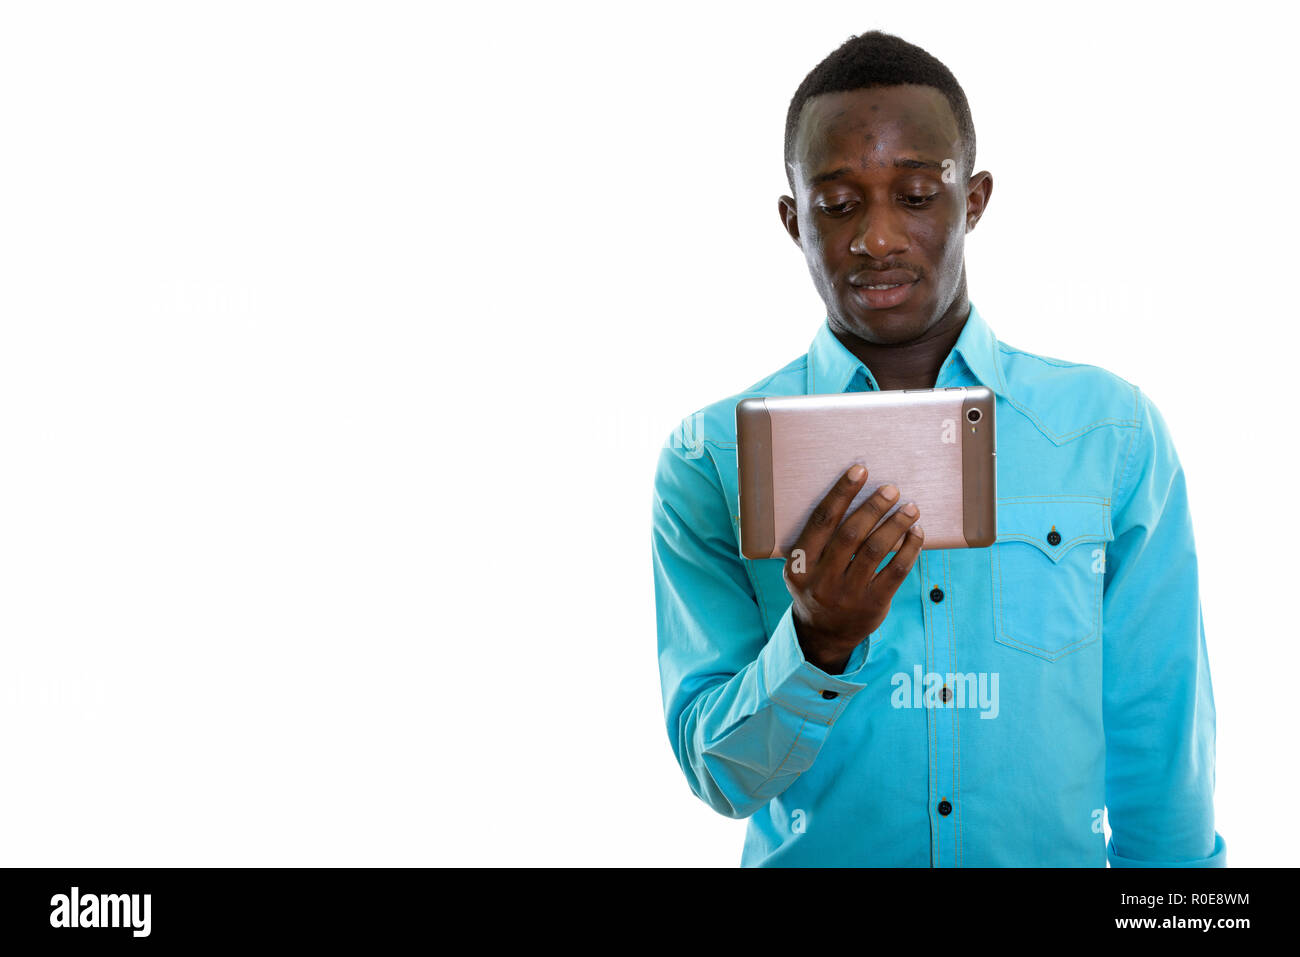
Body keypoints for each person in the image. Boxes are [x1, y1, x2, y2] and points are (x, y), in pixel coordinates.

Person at [650, 30, 1225, 867]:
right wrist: (816, 643)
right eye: (839, 204)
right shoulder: (710, 459)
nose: (877, 238)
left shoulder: (1111, 435)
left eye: (917, 195)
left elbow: (1160, 733)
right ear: (792, 218)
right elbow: (722, 775)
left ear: (976, 200)